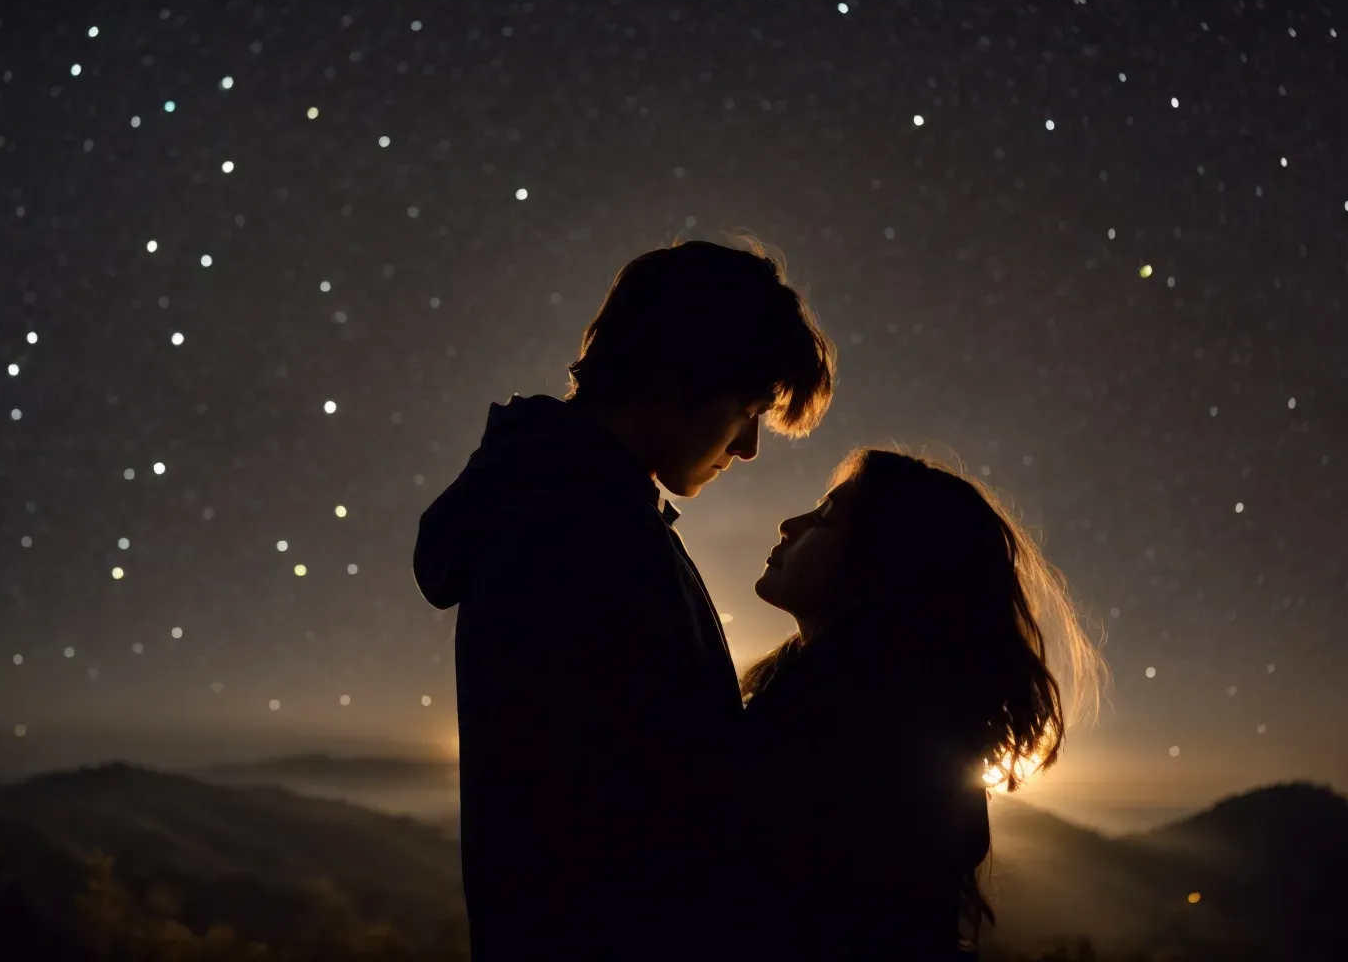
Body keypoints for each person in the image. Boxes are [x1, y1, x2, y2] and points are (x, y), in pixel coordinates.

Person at [413, 238, 836, 960]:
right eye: (749, 409)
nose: (748, 449)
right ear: (674, 377)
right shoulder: (581, 528)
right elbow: (649, 817)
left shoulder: (572, 508)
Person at [738, 447, 1104, 960]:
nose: (787, 524)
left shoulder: (849, 737)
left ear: (883, 566)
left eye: (823, 519)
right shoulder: (835, 706)